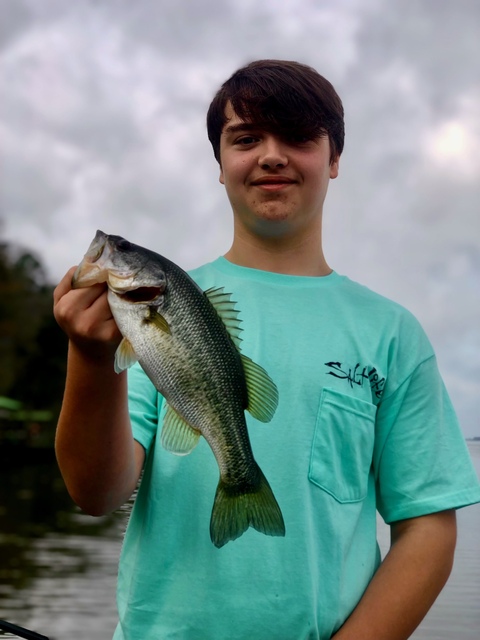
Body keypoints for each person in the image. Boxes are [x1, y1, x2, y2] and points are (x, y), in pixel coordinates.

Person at [53, 59, 480, 640]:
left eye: (299, 137)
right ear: (221, 164)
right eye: (247, 138)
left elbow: (428, 527)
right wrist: (90, 356)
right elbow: (97, 492)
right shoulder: (157, 311)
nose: (272, 155)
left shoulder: (392, 333)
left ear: (333, 161)